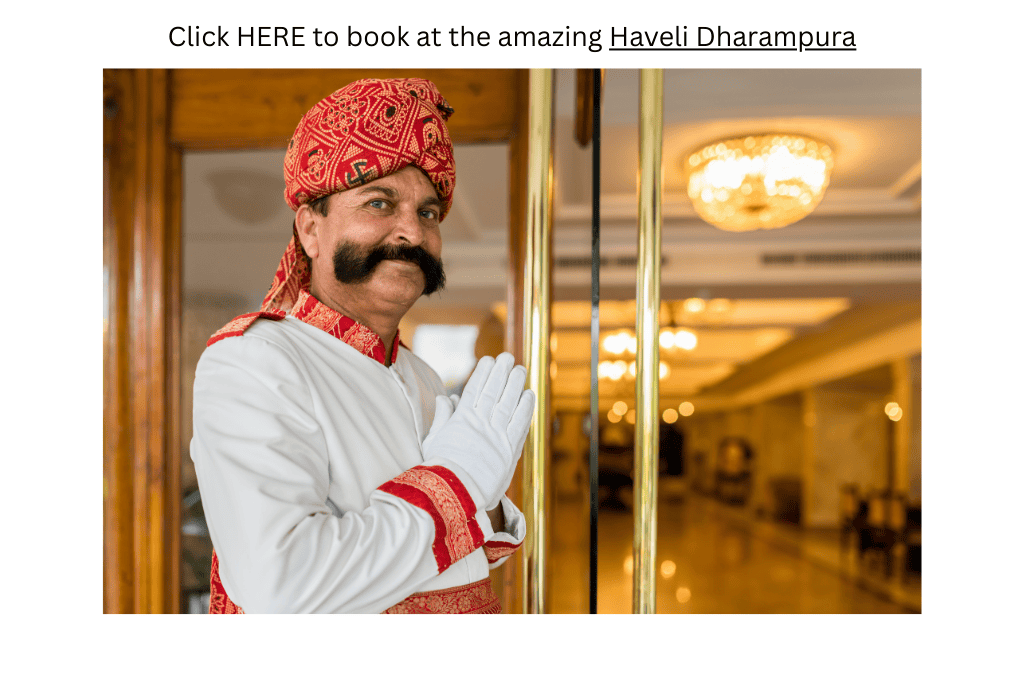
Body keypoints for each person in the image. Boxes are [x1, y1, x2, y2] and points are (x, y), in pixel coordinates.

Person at [191, 78, 535, 614]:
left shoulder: (420, 376)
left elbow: (455, 562)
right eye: (379, 203)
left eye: (428, 213)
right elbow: (284, 584)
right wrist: (462, 482)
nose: (413, 233)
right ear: (311, 229)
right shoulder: (253, 359)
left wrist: (480, 497)